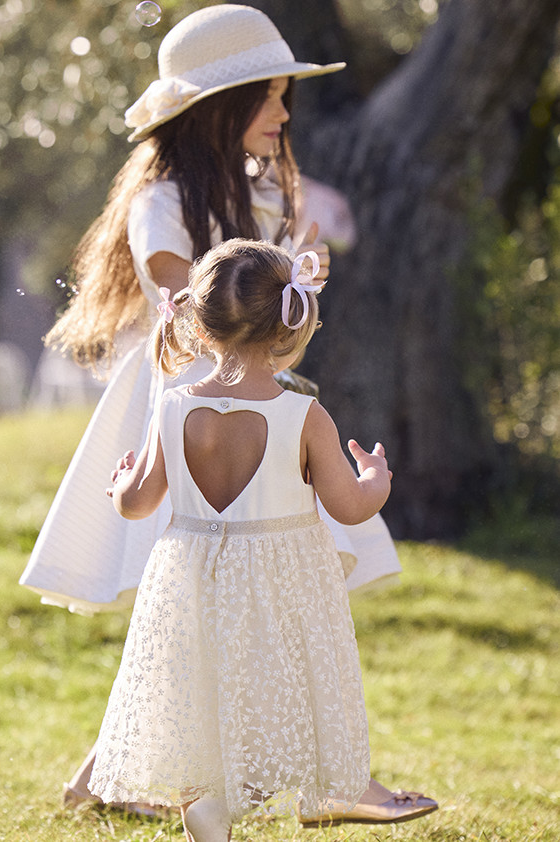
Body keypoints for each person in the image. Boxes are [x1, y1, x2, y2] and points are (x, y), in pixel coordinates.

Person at [20, 3, 436, 826]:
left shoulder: (250, 196)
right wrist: (276, 287)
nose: (284, 115)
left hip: (247, 408)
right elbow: (186, 302)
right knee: (199, 606)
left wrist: (297, 279)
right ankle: (276, 775)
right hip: (186, 410)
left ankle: (142, 772)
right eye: (271, 97)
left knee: (229, 604)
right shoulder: (163, 202)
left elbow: (258, 307)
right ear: (223, 107)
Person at [89, 238, 387, 841]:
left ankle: (210, 816)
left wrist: (120, 483)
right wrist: (375, 479)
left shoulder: (172, 408)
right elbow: (350, 509)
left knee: (201, 704)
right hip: (281, 587)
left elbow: (138, 501)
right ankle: (251, 789)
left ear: (201, 323)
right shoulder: (303, 416)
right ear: (289, 322)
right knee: (271, 696)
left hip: (193, 578)